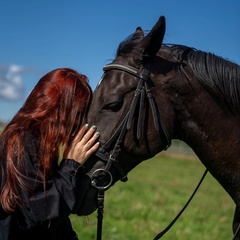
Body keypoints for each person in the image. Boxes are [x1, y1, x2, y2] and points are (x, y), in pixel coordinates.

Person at [0, 68, 100, 240]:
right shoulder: (22, 144)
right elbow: (38, 217)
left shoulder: (35, 142)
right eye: (79, 113)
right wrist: (70, 166)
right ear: (62, 111)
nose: (80, 123)